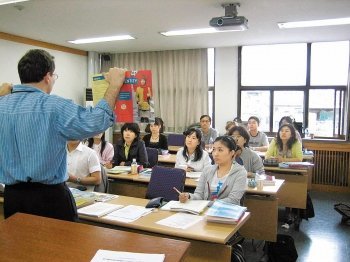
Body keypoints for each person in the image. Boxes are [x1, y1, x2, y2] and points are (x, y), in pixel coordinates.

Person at [0, 49, 125, 221]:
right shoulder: (54, 106)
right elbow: (96, 122)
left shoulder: (2, 104)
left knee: (21, 247)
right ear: (48, 76)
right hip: (49, 199)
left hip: (13, 197)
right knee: (62, 247)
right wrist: (115, 85)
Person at [178, 136, 247, 205]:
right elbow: (199, 195)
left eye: (220, 150)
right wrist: (189, 196)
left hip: (226, 213)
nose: (215, 154)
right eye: (214, 149)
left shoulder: (240, 173)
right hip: (205, 210)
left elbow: (233, 200)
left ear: (232, 153)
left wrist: (208, 204)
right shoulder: (207, 170)